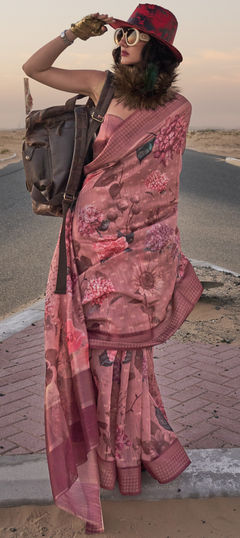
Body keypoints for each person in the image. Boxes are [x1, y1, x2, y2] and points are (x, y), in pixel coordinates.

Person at [22, 4, 203, 534]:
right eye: (120, 33)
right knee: (90, 347)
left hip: (138, 255)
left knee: (122, 354)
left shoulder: (179, 107)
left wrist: (155, 247)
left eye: (132, 35)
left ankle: (126, 453)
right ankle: (98, 455)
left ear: (157, 49)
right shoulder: (102, 85)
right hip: (85, 249)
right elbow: (35, 68)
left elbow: (162, 188)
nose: (121, 41)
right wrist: (70, 33)